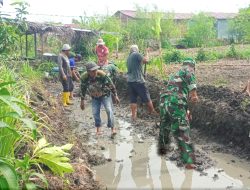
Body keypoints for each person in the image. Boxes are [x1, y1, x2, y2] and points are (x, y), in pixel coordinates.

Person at [158, 58, 199, 169]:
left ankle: (163, 150)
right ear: (193, 67)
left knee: (164, 127)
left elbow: (177, 92)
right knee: (183, 131)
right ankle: (189, 162)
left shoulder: (174, 75)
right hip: (175, 103)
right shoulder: (189, 71)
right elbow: (190, 96)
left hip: (163, 102)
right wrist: (194, 94)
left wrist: (187, 111)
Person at [80, 62, 120, 136]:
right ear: (88, 72)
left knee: (109, 110)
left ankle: (112, 128)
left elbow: (111, 85)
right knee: (95, 112)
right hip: (94, 96)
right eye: (93, 71)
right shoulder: (84, 78)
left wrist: (116, 95)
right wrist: (82, 101)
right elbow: (83, 89)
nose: (95, 72)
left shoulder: (102, 75)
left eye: (96, 70)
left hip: (105, 95)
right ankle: (98, 129)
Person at [126, 44, 157, 121]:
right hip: (138, 81)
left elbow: (140, 64)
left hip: (130, 81)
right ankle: (153, 112)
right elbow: (146, 60)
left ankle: (133, 116)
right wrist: (147, 53)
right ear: (136, 50)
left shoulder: (129, 58)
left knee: (133, 99)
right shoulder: (136, 54)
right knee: (146, 97)